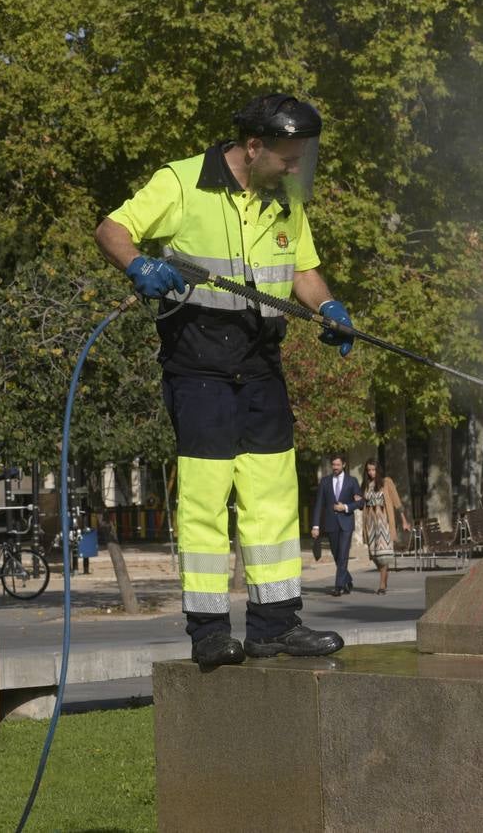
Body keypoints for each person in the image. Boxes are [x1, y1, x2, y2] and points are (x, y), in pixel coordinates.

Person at [95, 93, 353, 666]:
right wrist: (139, 263)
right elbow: (112, 228)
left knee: (273, 497)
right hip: (199, 365)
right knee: (207, 501)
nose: (294, 170)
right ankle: (210, 632)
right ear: (254, 145)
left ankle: (276, 625)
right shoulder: (183, 182)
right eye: (287, 158)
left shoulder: (284, 201)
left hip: (263, 363)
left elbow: (303, 269)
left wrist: (329, 307)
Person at [311, 455, 363, 596]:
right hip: (331, 524)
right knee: (336, 555)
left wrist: (345, 507)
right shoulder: (325, 482)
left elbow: (360, 503)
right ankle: (347, 579)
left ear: (344, 465)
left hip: (346, 523)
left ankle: (338, 586)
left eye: (338, 465)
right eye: (333, 465)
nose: (335, 467)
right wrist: (316, 526)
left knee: (343, 554)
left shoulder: (352, 481)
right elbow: (319, 504)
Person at [360, 460, 408, 595]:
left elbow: (397, 502)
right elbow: (362, 505)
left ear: (378, 470)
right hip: (370, 524)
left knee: (384, 555)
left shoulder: (387, 482)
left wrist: (404, 521)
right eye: (369, 470)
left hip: (384, 524)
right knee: (375, 555)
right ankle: (384, 575)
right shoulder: (365, 485)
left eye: (373, 470)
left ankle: (382, 585)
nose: (371, 472)